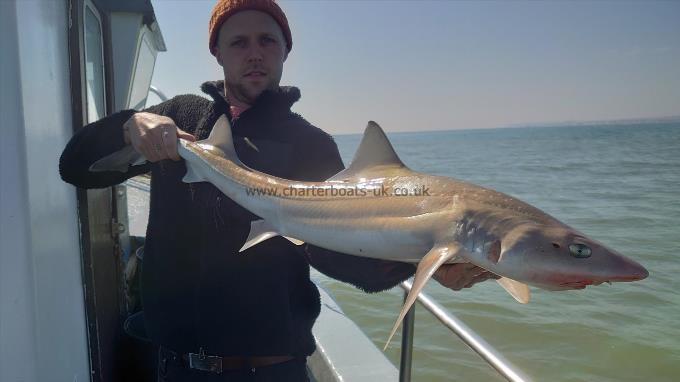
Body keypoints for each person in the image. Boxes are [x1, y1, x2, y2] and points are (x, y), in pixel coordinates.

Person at [59, 1, 497, 381]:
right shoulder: (180, 118)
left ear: (286, 49)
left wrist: (419, 263)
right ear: (217, 53)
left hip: (271, 369)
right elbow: (77, 168)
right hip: (177, 367)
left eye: (268, 41)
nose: (255, 54)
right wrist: (128, 128)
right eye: (239, 42)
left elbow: (333, 253)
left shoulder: (310, 144)